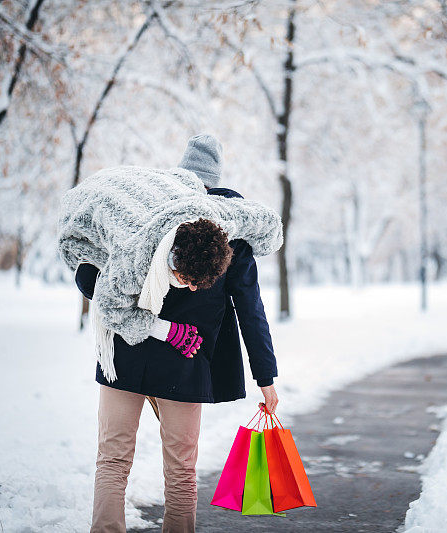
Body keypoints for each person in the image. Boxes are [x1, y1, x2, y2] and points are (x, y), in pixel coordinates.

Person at [74, 135, 279, 533]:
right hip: (185, 365)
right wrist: (266, 377)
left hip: (123, 355)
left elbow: (88, 278)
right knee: (182, 471)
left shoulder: (139, 213)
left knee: (112, 461)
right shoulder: (230, 232)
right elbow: (251, 309)